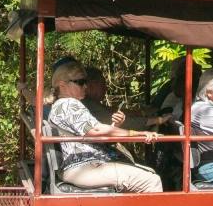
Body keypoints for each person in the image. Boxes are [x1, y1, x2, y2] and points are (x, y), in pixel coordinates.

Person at [43, 58, 163, 192]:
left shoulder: (62, 105)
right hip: (84, 167)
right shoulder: (68, 104)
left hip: (87, 166)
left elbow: (92, 133)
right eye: (80, 82)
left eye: (86, 82)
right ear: (62, 85)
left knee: (144, 172)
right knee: (152, 181)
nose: (85, 87)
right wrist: (138, 133)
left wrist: (115, 125)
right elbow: (96, 130)